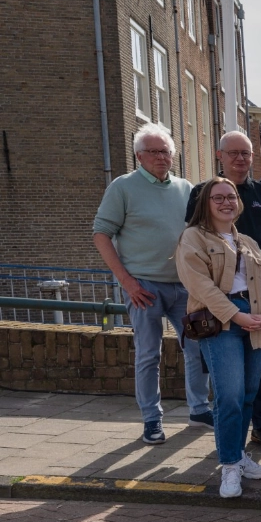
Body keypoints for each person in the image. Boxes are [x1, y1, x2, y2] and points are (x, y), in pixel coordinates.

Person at [92, 123, 211, 444]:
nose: (161, 157)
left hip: (184, 286)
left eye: (166, 151)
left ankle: (199, 409)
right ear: (139, 156)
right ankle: (151, 420)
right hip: (142, 286)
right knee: (149, 354)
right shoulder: (123, 187)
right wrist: (126, 282)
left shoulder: (186, 188)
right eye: (154, 152)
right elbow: (101, 234)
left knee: (198, 347)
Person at [175, 179, 261, 497]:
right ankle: (230, 467)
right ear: (205, 204)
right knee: (230, 397)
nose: (226, 202)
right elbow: (201, 287)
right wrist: (236, 315)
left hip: (255, 320)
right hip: (219, 322)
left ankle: (239, 456)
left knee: (249, 394)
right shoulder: (191, 238)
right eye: (218, 197)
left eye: (231, 196)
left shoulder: (248, 242)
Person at [186, 131, 261, 452]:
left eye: (246, 153)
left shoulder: (260, 210)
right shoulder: (198, 216)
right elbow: (199, 276)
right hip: (221, 314)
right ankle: (230, 458)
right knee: (228, 393)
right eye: (234, 153)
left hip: (256, 306)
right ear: (220, 156)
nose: (241, 159)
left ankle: (251, 441)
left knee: (253, 386)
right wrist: (236, 314)